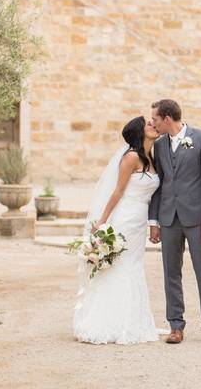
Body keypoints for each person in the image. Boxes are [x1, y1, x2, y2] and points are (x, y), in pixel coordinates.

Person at [73, 116, 161, 344]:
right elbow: (117, 192)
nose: (153, 125)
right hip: (125, 218)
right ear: (139, 132)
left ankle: (134, 321)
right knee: (121, 267)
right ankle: (108, 322)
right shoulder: (131, 157)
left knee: (134, 266)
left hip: (139, 221)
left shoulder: (151, 157)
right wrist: (102, 222)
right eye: (148, 124)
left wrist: (153, 223)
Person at [149, 99, 201, 345]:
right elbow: (157, 186)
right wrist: (154, 221)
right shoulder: (159, 145)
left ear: (167, 118)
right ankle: (175, 326)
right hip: (169, 218)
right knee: (171, 272)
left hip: (197, 218)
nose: (154, 123)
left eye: (156, 119)